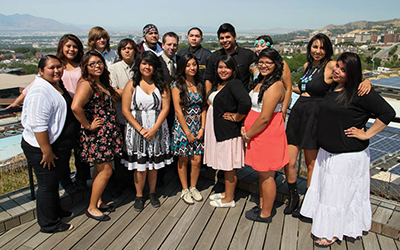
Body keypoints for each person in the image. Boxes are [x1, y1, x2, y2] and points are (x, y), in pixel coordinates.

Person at [300, 52, 395, 246]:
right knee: (331, 194)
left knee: (337, 196)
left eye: (343, 69)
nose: (337, 70)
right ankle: (333, 226)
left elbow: (388, 113)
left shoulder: (361, 92)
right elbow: (310, 84)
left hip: (346, 156)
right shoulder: (334, 86)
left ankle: (332, 232)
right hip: (327, 153)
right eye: (337, 66)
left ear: (351, 73)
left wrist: (367, 134)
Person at [284, 33, 371, 216]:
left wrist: (366, 82)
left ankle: (309, 203)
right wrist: (287, 88)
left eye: (322, 48)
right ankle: (293, 197)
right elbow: (304, 88)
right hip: (298, 112)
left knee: (311, 164)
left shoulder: (331, 65)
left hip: (315, 116)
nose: (318, 51)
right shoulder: (308, 66)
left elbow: (349, 76)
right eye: (314, 47)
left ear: (328, 50)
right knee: (289, 161)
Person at [9, 34, 88, 193]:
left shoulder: (82, 64)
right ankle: (66, 182)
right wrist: (17, 102)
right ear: (62, 48)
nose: (71, 49)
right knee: (63, 153)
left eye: (74, 46)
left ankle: (82, 179)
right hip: (63, 113)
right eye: (68, 46)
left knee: (81, 151)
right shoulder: (55, 65)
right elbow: (33, 85)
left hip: (80, 110)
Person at [21, 55, 76, 233]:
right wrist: (46, 151)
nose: (56, 70)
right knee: (46, 185)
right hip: (41, 148)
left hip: (53, 145)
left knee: (53, 182)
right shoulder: (39, 92)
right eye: (51, 68)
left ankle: (56, 212)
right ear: (40, 70)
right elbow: (38, 124)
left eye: (59, 67)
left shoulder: (53, 85)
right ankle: (49, 224)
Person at [72, 50, 123, 221]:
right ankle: (92, 207)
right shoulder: (86, 84)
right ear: (85, 67)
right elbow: (75, 107)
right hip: (98, 135)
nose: (97, 66)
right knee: (107, 170)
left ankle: (98, 200)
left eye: (99, 62)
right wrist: (88, 125)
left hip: (106, 132)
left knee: (100, 169)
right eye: (92, 64)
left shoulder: (99, 82)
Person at [122, 51, 173, 212]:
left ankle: (152, 192)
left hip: (157, 127)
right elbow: (125, 110)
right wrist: (141, 129)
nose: (147, 67)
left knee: (153, 165)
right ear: (139, 65)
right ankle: (139, 195)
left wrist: (154, 128)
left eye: (150, 64)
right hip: (137, 129)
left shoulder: (162, 84)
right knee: (140, 165)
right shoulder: (131, 85)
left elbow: (165, 108)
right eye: (144, 63)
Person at [242, 48, 289, 223]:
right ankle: (263, 205)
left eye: (268, 62)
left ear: (276, 64)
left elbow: (264, 117)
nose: (263, 65)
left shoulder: (275, 85)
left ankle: (265, 213)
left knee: (268, 175)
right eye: (261, 62)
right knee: (262, 173)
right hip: (258, 134)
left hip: (266, 134)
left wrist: (248, 135)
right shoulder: (263, 80)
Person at [204, 55, 251, 208]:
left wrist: (237, 117)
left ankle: (228, 199)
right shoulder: (220, 84)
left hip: (228, 131)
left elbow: (245, 102)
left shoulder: (234, 83)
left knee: (229, 166)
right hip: (218, 130)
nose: (223, 70)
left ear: (233, 69)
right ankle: (226, 192)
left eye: (227, 67)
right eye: (220, 67)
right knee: (225, 165)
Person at [171, 54, 206, 204]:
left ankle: (193, 187)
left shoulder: (200, 83)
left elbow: (203, 107)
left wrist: (202, 128)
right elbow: (178, 110)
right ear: (182, 67)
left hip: (198, 126)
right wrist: (187, 132)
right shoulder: (177, 85)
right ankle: (184, 189)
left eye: (194, 64)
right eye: (188, 65)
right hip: (183, 127)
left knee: (197, 160)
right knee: (183, 159)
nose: (192, 68)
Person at [108, 38, 138, 197]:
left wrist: (123, 92)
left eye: (130, 48)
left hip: (139, 118)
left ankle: (134, 183)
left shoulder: (140, 66)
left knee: (135, 153)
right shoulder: (114, 69)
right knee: (120, 154)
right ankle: (120, 184)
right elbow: (112, 93)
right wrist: (132, 92)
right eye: (124, 48)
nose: (127, 51)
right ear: (120, 51)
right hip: (121, 117)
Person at [250, 35, 292, 120]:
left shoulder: (281, 64)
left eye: (262, 46)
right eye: (257, 46)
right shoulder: (253, 66)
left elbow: (288, 88)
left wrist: (283, 110)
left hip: (276, 108)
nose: (259, 49)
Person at [204, 23, 255, 92]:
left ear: (235, 37)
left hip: (241, 98)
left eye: (228, 37)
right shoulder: (214, 56)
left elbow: (256, 74)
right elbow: (208, 78)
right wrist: (208, 97)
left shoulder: (247, 55)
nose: (225, 40)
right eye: (222, 38)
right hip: (219, 98)